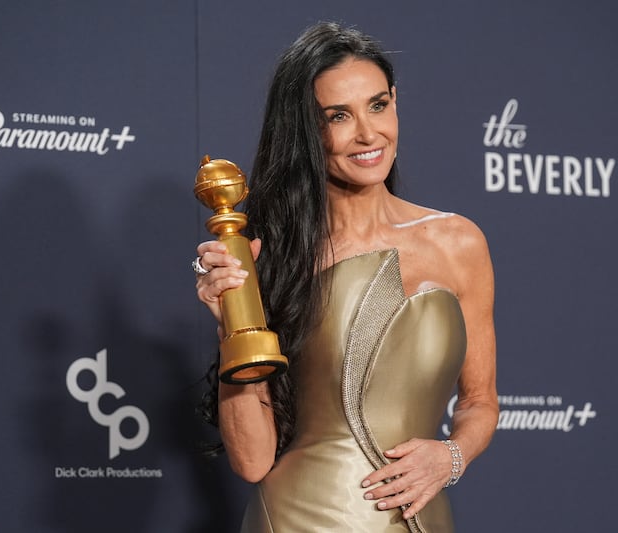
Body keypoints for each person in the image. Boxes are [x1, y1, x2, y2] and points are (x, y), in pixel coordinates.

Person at [194, 21, 498, 532]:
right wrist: (230, 326)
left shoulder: (459, 242)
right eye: (338, 116)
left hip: (420, 516)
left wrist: (449, 456)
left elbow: (481, 402)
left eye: (378, 105)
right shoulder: (274, 260)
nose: (367, 134)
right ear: (307, 131)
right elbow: (252, 461)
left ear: (396, 101)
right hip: (299, 517)